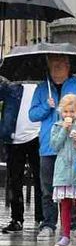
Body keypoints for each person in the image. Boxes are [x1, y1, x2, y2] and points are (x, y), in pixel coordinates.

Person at [30, 52, 76, 239]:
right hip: (49, 145)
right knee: (47, 188)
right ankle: (48, 223)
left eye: (60, 64)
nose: (56, 68)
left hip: (73, 147)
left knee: (74, 185)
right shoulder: (43, 89)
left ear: (68, 66)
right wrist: (46, 106)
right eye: (53, 65)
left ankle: (75, 225)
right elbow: (32, 115)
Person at [1, 76, 42, 234]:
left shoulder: (44, 86)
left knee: (41, 180)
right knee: (14, 180)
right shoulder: (10, 84)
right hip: (14, 138)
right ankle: (16, 218)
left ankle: (41, 218)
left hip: (38, 137)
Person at [49, 93, 76, 246]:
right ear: (61, 111)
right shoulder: (57, 127)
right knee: (65, 205)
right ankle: (65, 236)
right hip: (62, 172)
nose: (69, 115)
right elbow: (55, 146)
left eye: (72, 112)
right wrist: (64, 131)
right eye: (66, 112)